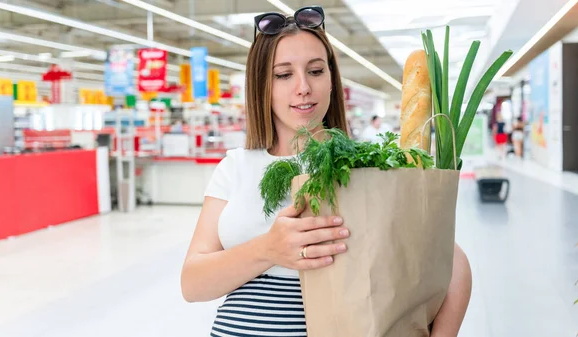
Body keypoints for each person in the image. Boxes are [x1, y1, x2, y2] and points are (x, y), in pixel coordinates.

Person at [180, 6, 472, 337]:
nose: (303, 87)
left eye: (316, 71)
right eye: (283, 74)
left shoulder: (364, 167)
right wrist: (268, 249)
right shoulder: (235, 166)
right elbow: (192, 283)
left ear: (332, 81)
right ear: (262, 85)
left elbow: (451, 262)